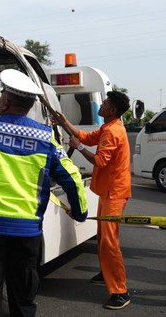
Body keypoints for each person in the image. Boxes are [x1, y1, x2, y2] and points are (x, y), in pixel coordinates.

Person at [0, 69, 88, 316]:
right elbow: (72, 177)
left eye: (2, 96)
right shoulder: (46, 136)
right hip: (27, 231)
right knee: (23, 298)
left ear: (5, 102)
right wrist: (80, 212)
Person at [53, 90, 132, 310]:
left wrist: (77, 147)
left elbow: (99, 161)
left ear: (112, 110)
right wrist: (64, 121)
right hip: (110, 191)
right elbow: (86, 137)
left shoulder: (113, 132)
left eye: (105, 102)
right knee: (103, 238)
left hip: (114, 193)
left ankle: (120, 292)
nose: (102, 103)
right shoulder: (108, 127)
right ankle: (106, 272)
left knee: (109, 241)